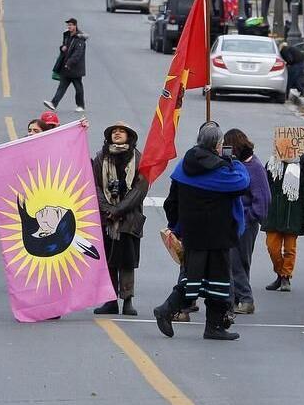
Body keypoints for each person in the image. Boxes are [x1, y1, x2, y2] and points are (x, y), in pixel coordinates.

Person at [153, 123, 249, 341]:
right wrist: (234, 162)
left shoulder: (183, 167)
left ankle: (169, 310)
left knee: (193, 279)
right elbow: (242, 182)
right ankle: (211, 325)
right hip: (218, 235)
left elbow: (172, 201)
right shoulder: (222, 172)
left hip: (193, 234)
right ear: (217, 145)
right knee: (219, 282)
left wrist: (176, 227)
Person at [91, 122, 148, 316]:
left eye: (121, 131)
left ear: (129, 136)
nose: (117, 133)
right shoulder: (101, 158)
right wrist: (108, 209)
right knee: (108, 260)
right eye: (114, 131)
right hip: (106, 218)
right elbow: (95, 185)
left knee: (127, 260)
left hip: (129, 218)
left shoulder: (139, 159)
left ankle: (127, 300)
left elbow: (140, 189)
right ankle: (110, 300)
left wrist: (119, 209)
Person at [223, 128, 269, 315]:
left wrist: (248, 217)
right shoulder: (238, 164)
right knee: (240, 261)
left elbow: (263, 199)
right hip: (237, 220)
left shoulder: (254, 167)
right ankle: (235, 299)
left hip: (246, 221)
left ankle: (245, 298)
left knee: (235, 261)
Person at [262, 147, 304, 294]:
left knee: (290, 249)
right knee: (273, 248)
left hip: (293, 215)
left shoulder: (301, 168)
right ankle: (280, 273)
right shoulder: (271, 166)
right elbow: (263, 189)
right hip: (273, 215)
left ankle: (285, 276)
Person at [43, 17, 88, 113]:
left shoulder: (79, 39)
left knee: (78, 87)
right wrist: (62, 48)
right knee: (62, 86)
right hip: (66, 68)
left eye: (71, 25)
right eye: (68, 25)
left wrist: (69, 63)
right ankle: (53, 104)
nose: (69, 27)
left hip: (75, 68)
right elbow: (65, 47)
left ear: (75, 26)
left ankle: (80, 105)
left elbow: (77, 54)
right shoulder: (68, 36)